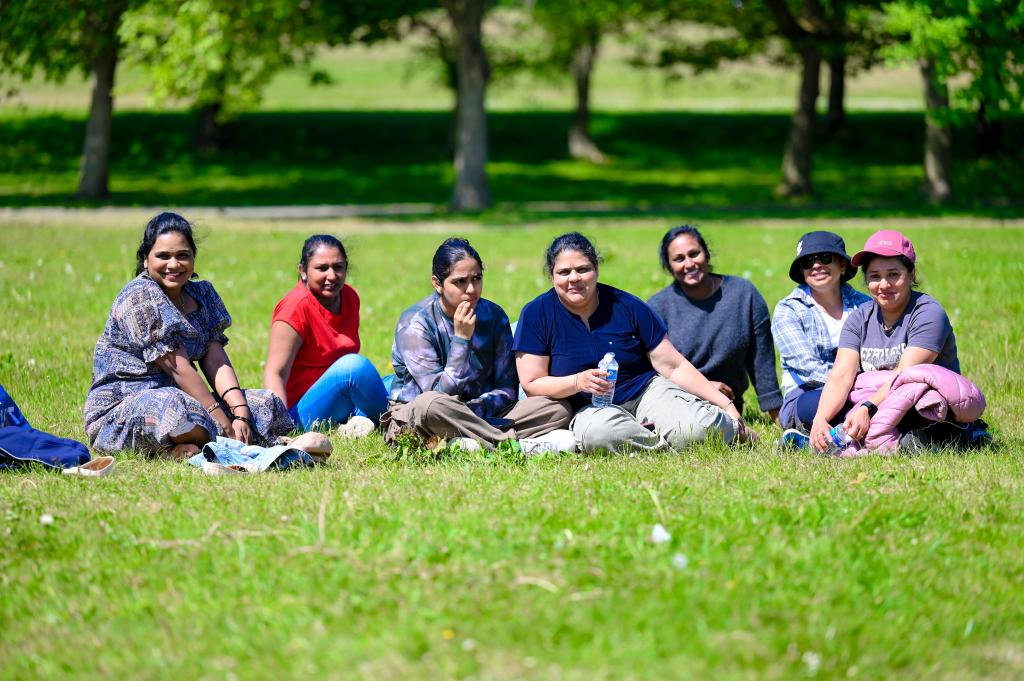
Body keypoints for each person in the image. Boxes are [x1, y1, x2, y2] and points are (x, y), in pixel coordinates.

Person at [514, 232, 753, 453]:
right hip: (589, 408)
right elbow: (532, 383)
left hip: (645, 391)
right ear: (552, 276)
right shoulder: (537, 314)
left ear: (596, 270)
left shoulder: (627, 305)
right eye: (564, 272)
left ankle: (727, 431)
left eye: (583, 269)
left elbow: (674, 366)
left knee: (698, 429)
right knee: (599, 435)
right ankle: (668, 445)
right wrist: (577, 382)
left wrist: (726, 405)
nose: (574, 278)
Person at [84, 212, 293, 459]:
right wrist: (224, 424)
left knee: (264, 403)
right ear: (146, 260)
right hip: (125, 408)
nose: (173, 264)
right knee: (175, 409)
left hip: (186, 397)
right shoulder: (139, 296)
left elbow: (216, 359)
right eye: (163, 256)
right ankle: (214, 443)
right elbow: (179, 369)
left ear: (193, 257)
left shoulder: (202, 294)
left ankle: (193, 445)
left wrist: (241, 414)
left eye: (182, 255)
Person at [383, 238, 574, 451]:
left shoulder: (493, 315)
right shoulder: (415, 323)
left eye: (477, 278)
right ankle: (512, 446)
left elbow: (507, 388)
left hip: (480, 411)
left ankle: (467, 442)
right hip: (422, 417)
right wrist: (461, 340)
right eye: (460, 282)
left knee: (558, 408)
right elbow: (440, 394)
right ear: (437, 284)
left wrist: (471, 410)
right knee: (429, 405)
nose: (471, 289)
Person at [806, 230, 987, 452]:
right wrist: (820, 419)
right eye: (875, 276)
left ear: (911, 275)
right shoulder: (859, 319)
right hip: (877, 400)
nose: (884, 285)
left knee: (916, 399)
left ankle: (953, 435)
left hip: (920, 406)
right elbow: (841, 375)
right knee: (815, 407)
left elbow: (905, 375)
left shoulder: (928, 313)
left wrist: (867, 408)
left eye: (893, 274)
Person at [648, 225, 782, 423]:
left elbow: (762, 361)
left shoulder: (744, 294)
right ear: (669, 266)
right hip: (678, 401)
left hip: (730, 405)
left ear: (707, 254)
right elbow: (651, 371)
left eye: (694, 254)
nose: (689, 264)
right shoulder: (657, 307)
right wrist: (704, 387)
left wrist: (778, 415)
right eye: (679, 259)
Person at [264, 235, 387, 435]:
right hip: (300, 413)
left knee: (399, 381)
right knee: (354, 368)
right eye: (322, 268)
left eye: (338, 267)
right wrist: (280, 428)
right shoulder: (294, 308)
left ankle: (360, 421)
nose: (332, 276)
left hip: (341, 398)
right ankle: (398, 422)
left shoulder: (349, 296)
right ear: (303, 271)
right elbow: (275, 373)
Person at [772, 231, 870, 433]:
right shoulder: (788, 310)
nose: (816, 265)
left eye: (825, 258)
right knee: (821, 404)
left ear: (842, 265)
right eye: (808, 261)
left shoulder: (865, 305)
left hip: (863, 390)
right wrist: (853, 388)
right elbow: (808, 368)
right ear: (802, 271)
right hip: (808, 393)